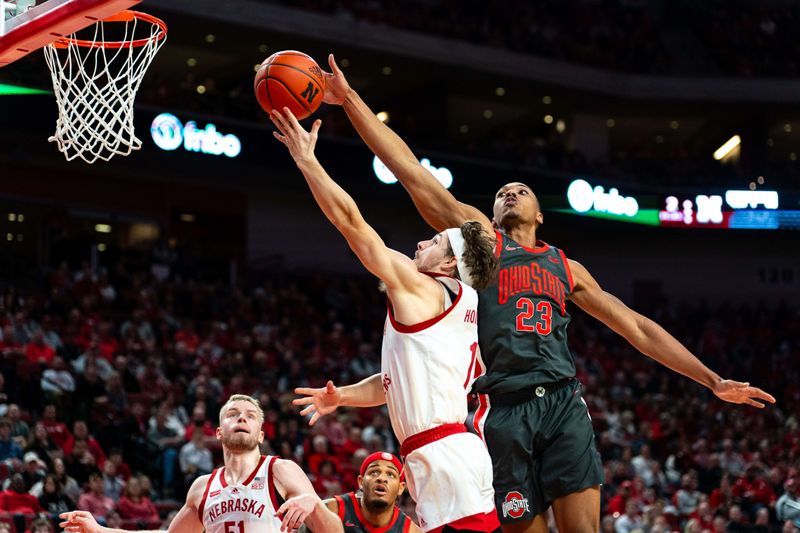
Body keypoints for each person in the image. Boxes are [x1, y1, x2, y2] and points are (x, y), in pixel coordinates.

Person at [317, 54, 777, 533]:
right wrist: (349, 100)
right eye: (502, 193)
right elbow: (409, 169)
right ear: (490, 217)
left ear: (541, 215)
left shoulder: (565, 266)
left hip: (560, 403)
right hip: (500, 412)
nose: (510, 193)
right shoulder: (481, 246)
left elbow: (636, 326)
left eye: (521, 190)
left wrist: (712, 380)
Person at [271, 108, 499, 533]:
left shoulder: (422, 288)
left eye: (432, 241)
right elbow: (395, 381)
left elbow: (352, 224)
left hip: (445, 458)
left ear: (451, 263)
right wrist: (343, 398)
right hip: (446, 455)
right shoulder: (461, 302)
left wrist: (307, 160)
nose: (419, 242)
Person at [60, 394, 343, 533]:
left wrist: (314, 503)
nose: (241, 418)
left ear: (260, 435)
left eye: (250, 415)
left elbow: (334, 532)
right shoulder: (201, 487)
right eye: (232, 414)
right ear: (218, 433)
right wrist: (101, 530)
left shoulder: (280, 470)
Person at [320, 452, 418, 533]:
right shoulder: (330, 510)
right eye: (374, 472)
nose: (382, 478)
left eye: (390, 474)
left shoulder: (410, 530)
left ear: (401, 488)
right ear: (361, 482)